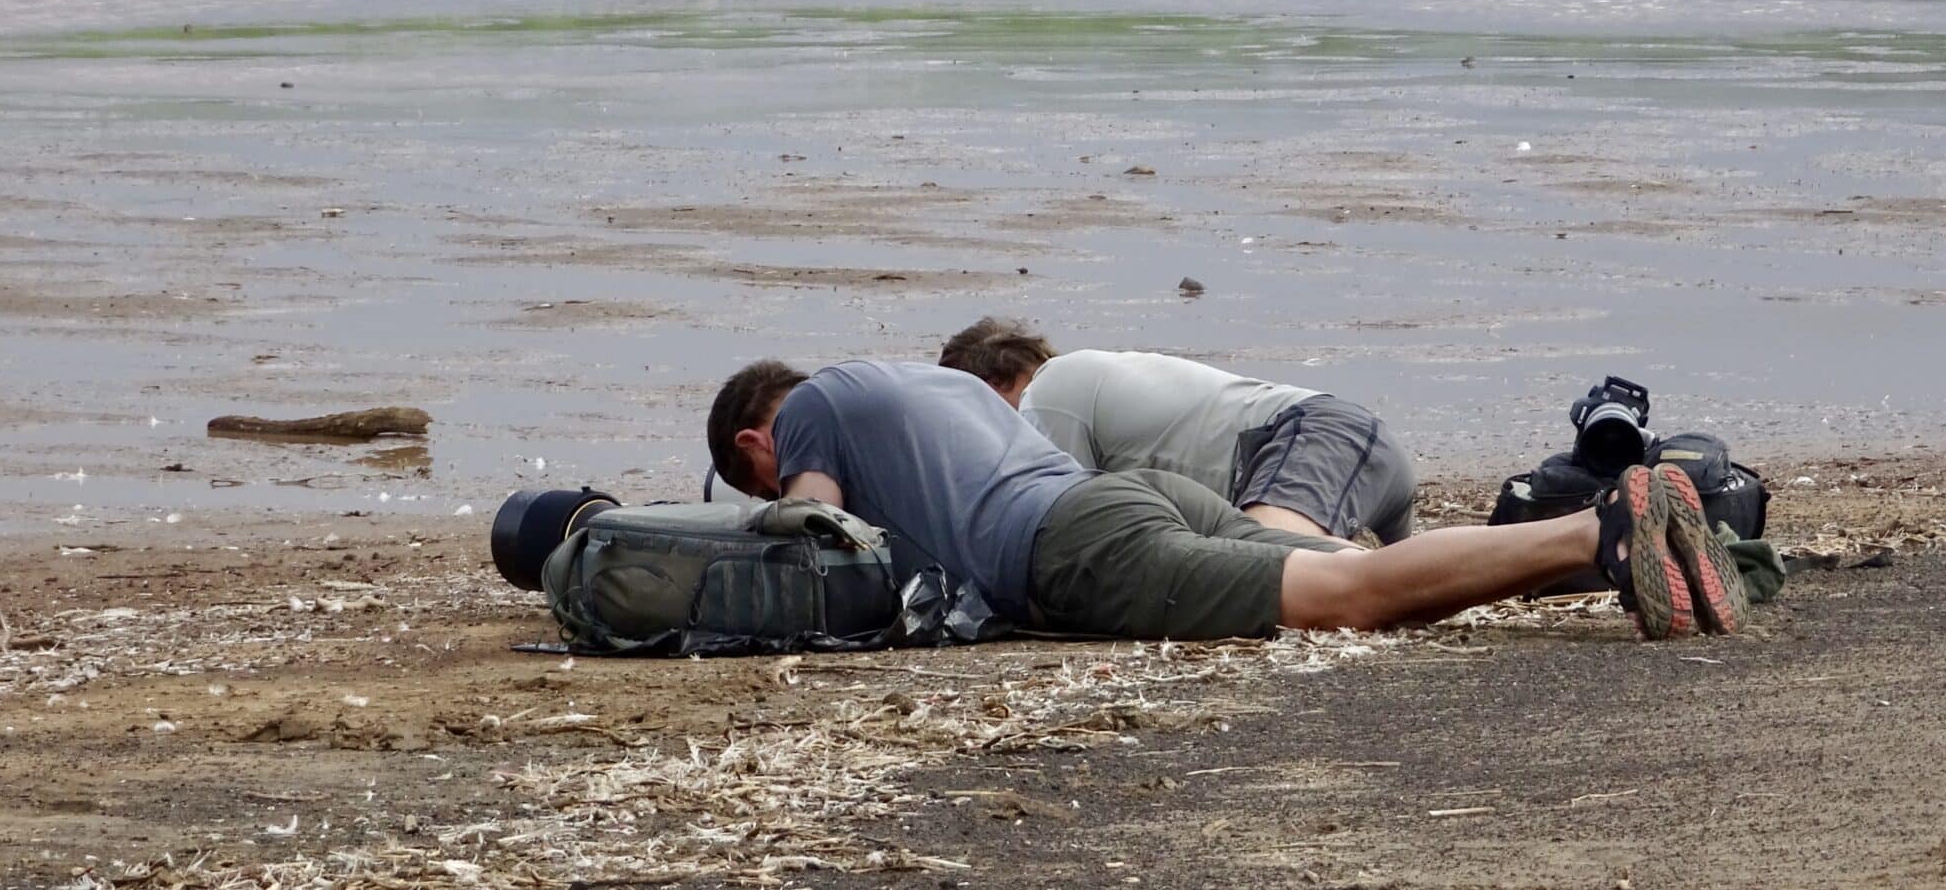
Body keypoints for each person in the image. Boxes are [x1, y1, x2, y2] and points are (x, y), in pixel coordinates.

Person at [705, 357, 1746, 643]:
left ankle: (1600, 526)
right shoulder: (925, 380)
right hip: (1126, 495)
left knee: (1350, 600)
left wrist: (753, 525)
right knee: (1352, 568)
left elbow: (815, 529)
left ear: (757, 437)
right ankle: (1602, 556)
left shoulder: (807, 419)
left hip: (1074, 549)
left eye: (752, 465)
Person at [937, 318, 1417, 545]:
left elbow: (1056, 518)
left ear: (991, 387)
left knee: (1277, 561)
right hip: (1353, 451)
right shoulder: (1091, 376)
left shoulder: (1049, 392)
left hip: (1315, 440)